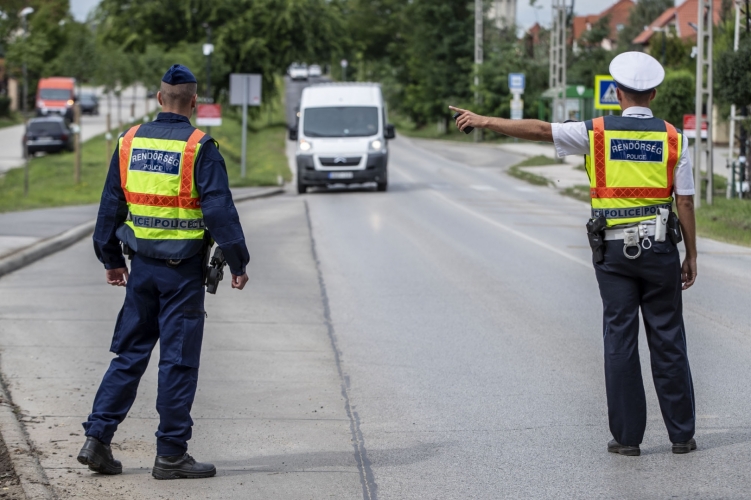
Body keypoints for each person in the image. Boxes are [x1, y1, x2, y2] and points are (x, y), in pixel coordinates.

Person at [450, 52, 697, 457]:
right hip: (661, 250)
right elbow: (684, 202)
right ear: (653, 93)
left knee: (620, 339)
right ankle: (682, 435)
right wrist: (691, 254)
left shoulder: (595, 132)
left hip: (614, 253)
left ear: (617, 93)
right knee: (668, 337)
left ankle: (628, 439)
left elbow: (538, 130)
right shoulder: (673, 138)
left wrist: (484, 120)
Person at [77, 64, 250, 479]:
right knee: (177, 361)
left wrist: (111, 259)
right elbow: (219, 211)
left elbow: (110, 207)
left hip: (141, 273)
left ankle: (97, 439)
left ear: (159, 100)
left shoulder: (129, 141)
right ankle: (171, 453)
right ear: (193, 102)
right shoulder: (199, 147)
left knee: (130, 354)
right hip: (182, 275)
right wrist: (238, 262)